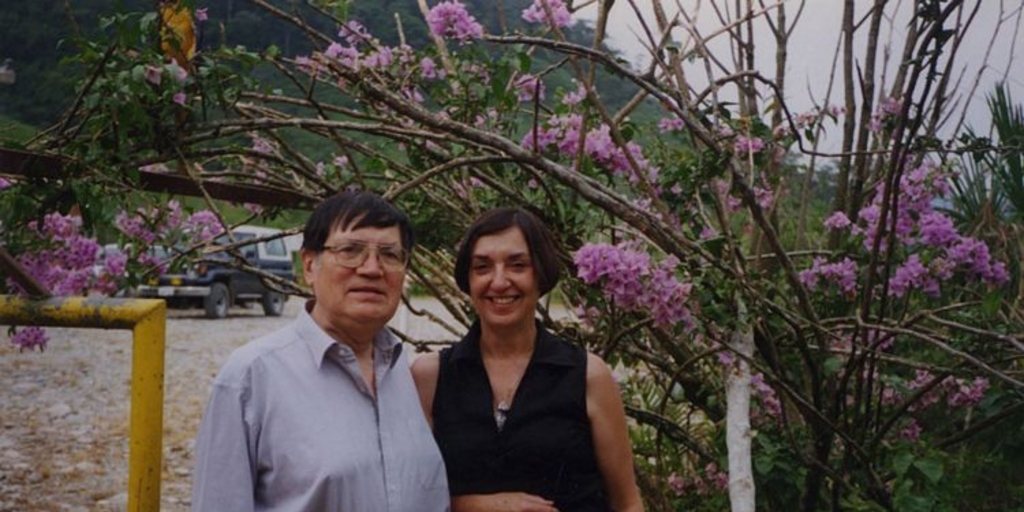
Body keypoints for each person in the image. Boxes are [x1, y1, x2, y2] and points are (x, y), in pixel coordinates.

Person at [191, 191, 449, 512]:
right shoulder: (251, 377)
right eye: (350, 251)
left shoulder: (403, 372)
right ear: (310, 265)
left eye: (390, 254)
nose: (372, 268)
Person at [412, 207, 644, 512]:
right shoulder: (430, 377)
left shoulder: (587, 376)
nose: (498, 282)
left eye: (517, 265)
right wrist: (477, 506)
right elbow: (407, 499)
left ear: (541, 274)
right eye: (482, 267)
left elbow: (627, 503)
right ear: (467, 280)